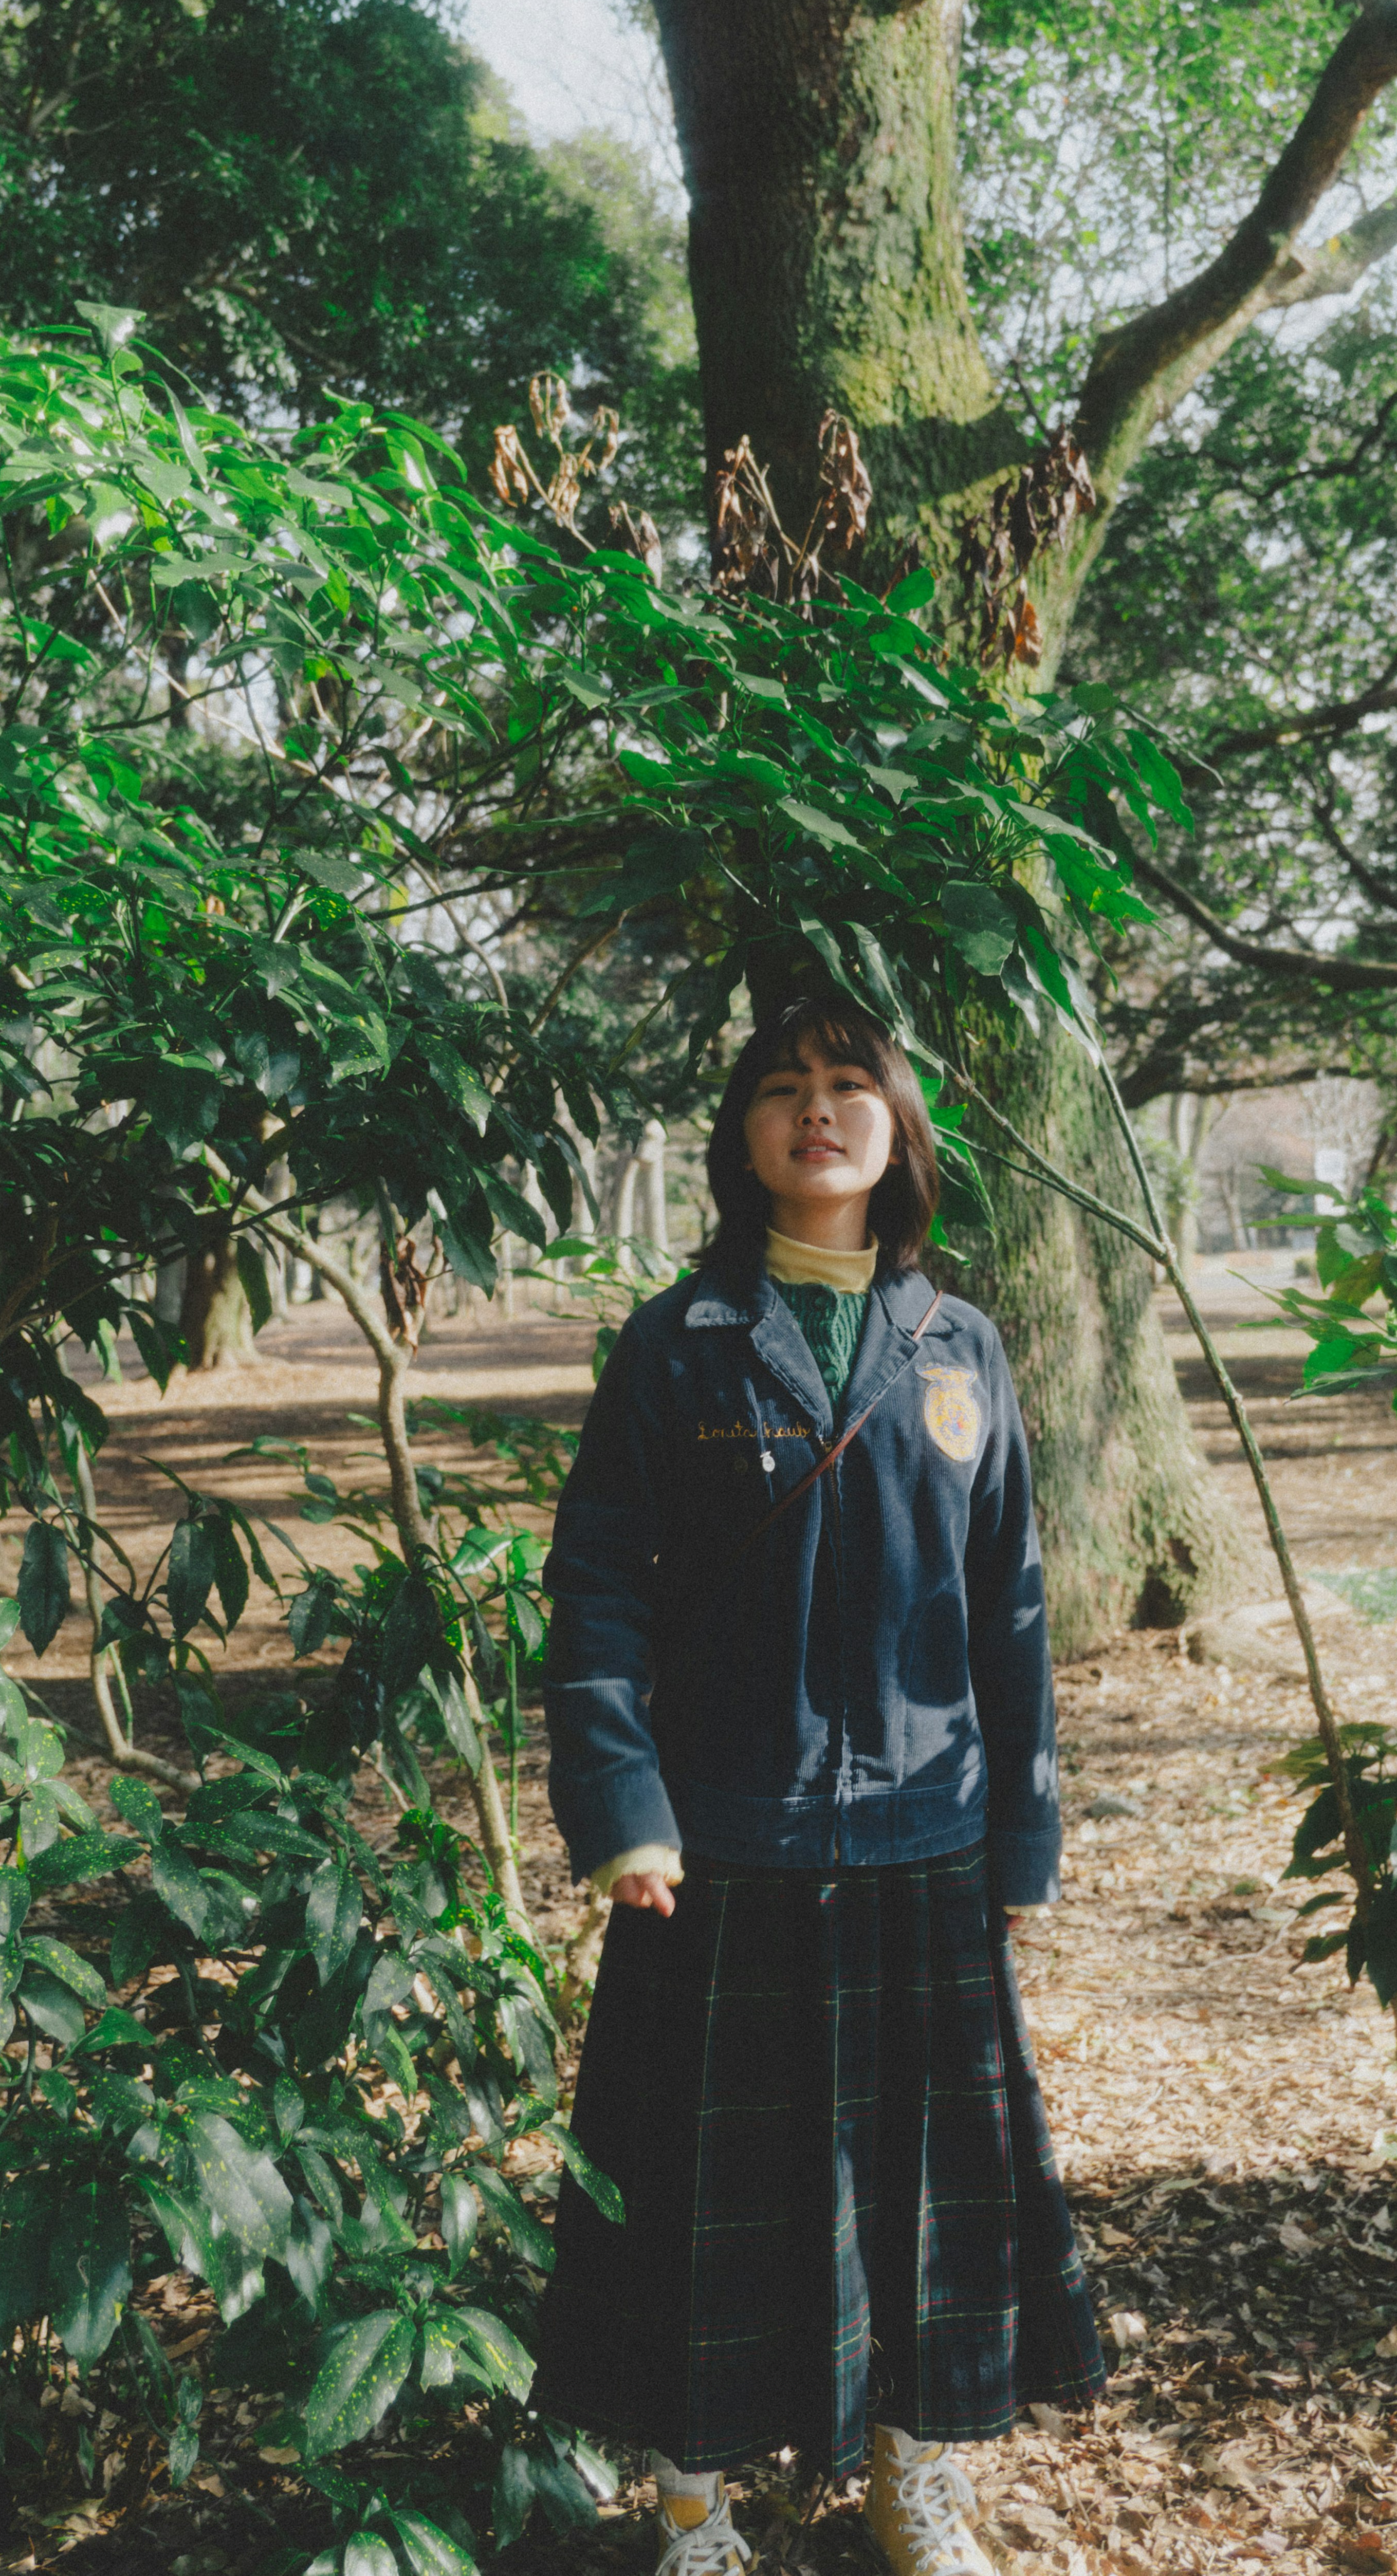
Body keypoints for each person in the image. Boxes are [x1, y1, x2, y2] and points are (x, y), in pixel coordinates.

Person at [530, 995, 1104, 2576]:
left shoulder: (963, 1345)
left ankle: (915, 2483)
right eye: (784, 1089)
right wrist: (622, 1804)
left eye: (852, 1085)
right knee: (704, 2202)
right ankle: (696, 2508)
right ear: (744, 1137)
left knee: (930, 2213)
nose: (819, 1111)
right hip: (722, 1849)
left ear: (897, 1128)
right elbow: (598, 1596)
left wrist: (1022, 1836)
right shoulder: (675, 1345)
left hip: (926, 1842)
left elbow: (1015, 1605)